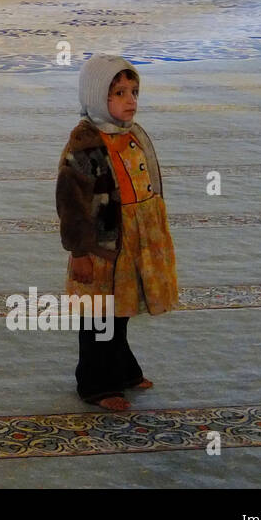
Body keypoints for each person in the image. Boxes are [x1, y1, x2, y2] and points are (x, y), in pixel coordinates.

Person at [55, 54, 178, 411]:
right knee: (99, 317)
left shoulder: (132, 135)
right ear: (96, 96)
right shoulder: (86, 144)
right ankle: (95, 384)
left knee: (119, 311)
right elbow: (71, 204)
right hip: (101, 247)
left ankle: (123, 371)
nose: (131, 101)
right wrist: (79, 253)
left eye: (134, 91)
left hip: (132, 243)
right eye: (119, 93)